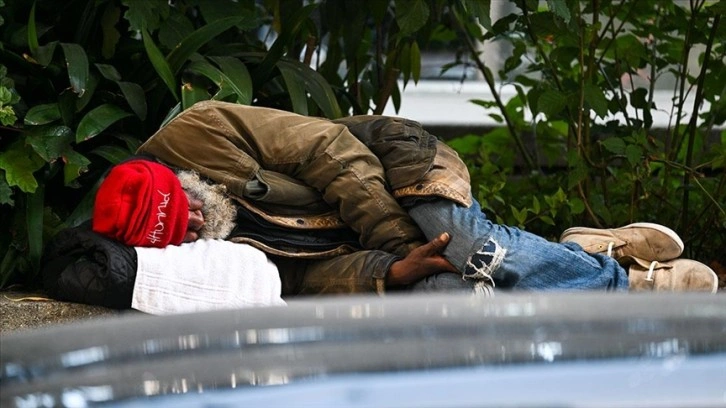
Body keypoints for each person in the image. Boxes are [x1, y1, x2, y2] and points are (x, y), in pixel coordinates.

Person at [92, 100, 718, 296]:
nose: (195, 220)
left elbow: (332, 150)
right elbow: (299, 280)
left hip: (392, 162)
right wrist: (392, 272)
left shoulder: (198, 130)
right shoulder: (201, 255)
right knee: (452, 293)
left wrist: (399, 242)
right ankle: (580, 253)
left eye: (185, 204)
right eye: (181, 230)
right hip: (376, 243)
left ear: (171, 177)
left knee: (470, 247)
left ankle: (626, 283)